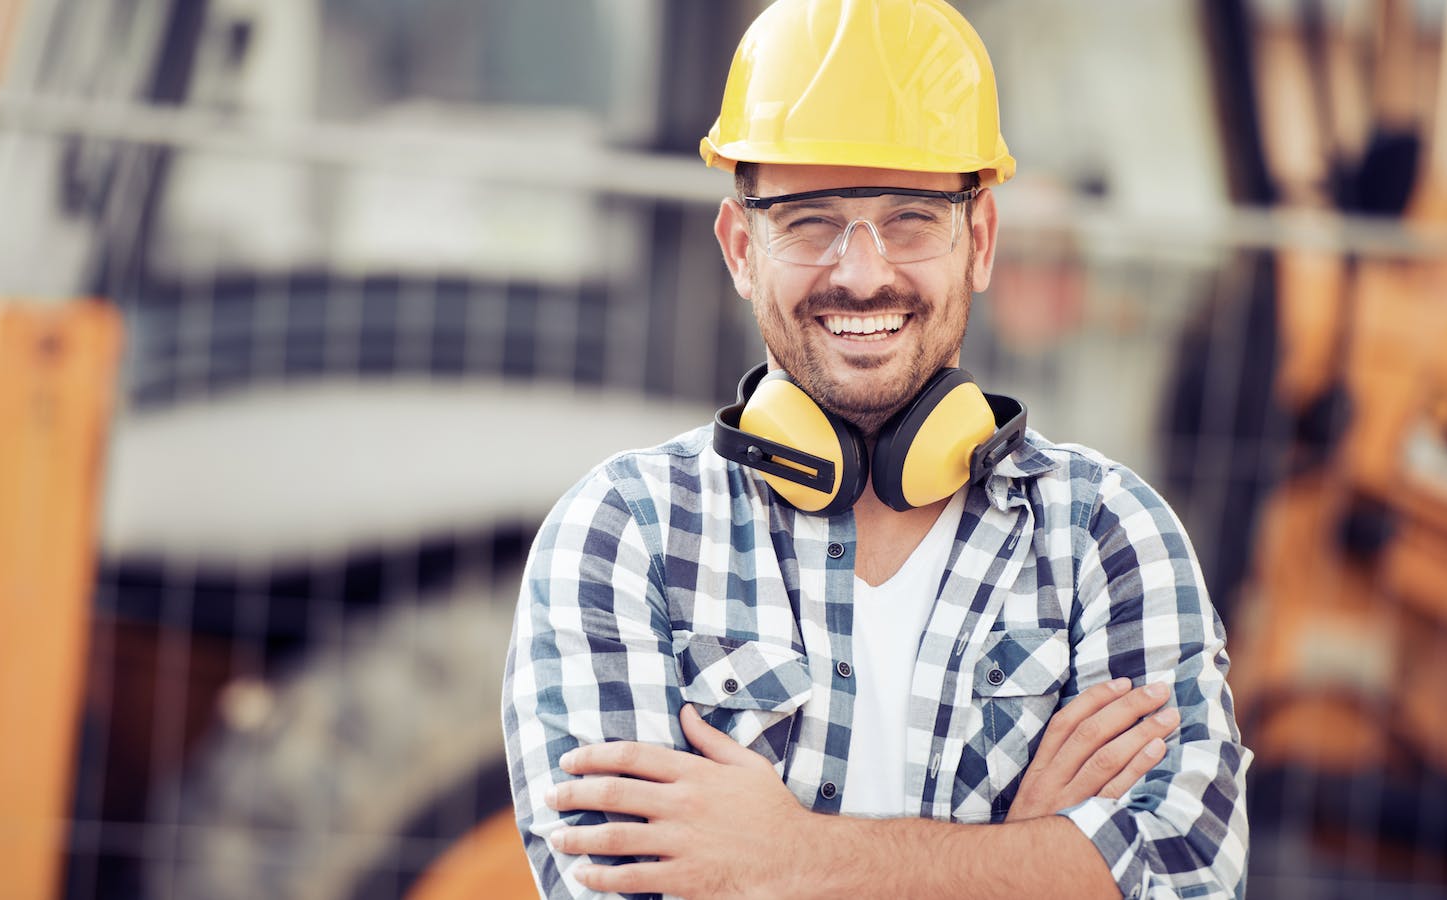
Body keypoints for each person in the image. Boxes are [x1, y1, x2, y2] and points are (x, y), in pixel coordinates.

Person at [502, 1, 1250, 897]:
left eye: (911, 219)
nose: (862, 272)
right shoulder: (622, 535)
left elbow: (1185, 879)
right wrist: (1029, 860)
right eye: (810, 221)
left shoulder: (1110, 540)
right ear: (742, 249)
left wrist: (781, 855)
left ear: (979, 241)